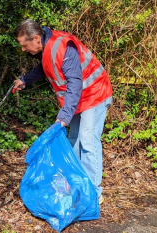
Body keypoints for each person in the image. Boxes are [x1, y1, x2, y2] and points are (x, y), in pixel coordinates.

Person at [13, 19, 112, 203]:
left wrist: (65, 116)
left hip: (95, 93)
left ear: (36, 38)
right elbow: (45, 67)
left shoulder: (62, 46)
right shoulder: (46, 47)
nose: (23, 50)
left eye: (24, 45)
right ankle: (78, 183)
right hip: (79, 99)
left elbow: (75, 83)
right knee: (73, 140)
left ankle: (93, 193)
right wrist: (25, 80)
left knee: (88, 140)